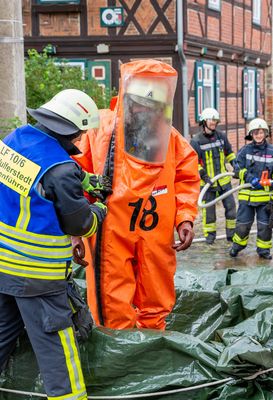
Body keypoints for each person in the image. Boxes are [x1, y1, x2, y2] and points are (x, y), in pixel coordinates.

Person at [73, 59, 200, 330]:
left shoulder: (171, 138)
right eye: (142, 102)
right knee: (110, 302)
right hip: (110, 231)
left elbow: (187, 177)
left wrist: (185, 218)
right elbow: (78, 177)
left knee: (156, 297)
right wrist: (76, 230)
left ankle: (150, 351)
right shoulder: (99, 130)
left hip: (154, 233)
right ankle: (117, 355)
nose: (147, 110)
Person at [0, 89, 107, 400]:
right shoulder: (61, 170)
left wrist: (82, 180)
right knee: (59, 354)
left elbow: (37, 181)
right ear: (71, 129)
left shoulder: (14, 139)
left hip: (4, 269)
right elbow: (79, 223)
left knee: (3, 334)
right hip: (38, 278)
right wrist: (99, 211)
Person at [229, 118, 273, 260]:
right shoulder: (245, 151)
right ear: (251, 134)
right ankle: (236, 247)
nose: (259, 135)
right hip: (246, 198)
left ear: (266, 133)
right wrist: (249, 178)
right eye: (256, 133)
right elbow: (237, 168)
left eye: (261, 132)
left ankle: (264, 252)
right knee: (242, 226)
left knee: (265, 227)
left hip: (265, 200)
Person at [190, 108, 237, 244]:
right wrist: (203, 175)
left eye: (215, 120)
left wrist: (235, 166)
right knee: (209, 214)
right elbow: (193, 162)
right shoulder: (196, 141)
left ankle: (231, 236)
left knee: (231, 210)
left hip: (224, 181)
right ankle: (210, 239)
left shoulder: (221, 136)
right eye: (211, 120)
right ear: (204, 121)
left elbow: (229, 153)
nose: (213, 123)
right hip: (207, 184)